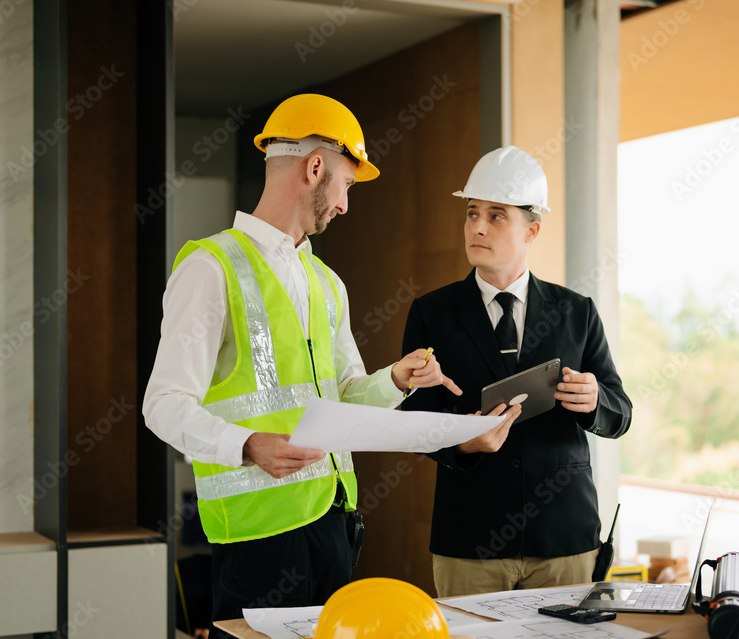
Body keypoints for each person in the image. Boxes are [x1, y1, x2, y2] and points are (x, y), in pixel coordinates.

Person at [143, 94, 461, 636]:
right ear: (316, 167)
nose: (345, 205)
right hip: (257, 541)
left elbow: (343, 395)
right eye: (347, 185)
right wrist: (246, 445)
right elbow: (163, 406)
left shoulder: (326, 283)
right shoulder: (210, 267)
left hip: (334, 526)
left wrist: (396, 379)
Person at [401, 146, 633, 597]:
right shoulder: (432, 314)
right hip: (470, 541)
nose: (478, 227)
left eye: (496, 215)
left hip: (565, 540)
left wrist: (594, 401)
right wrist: (463, 442)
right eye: (471, 213)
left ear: (533, 229)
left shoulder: (576, 312)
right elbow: (414, 422)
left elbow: (619, 412)